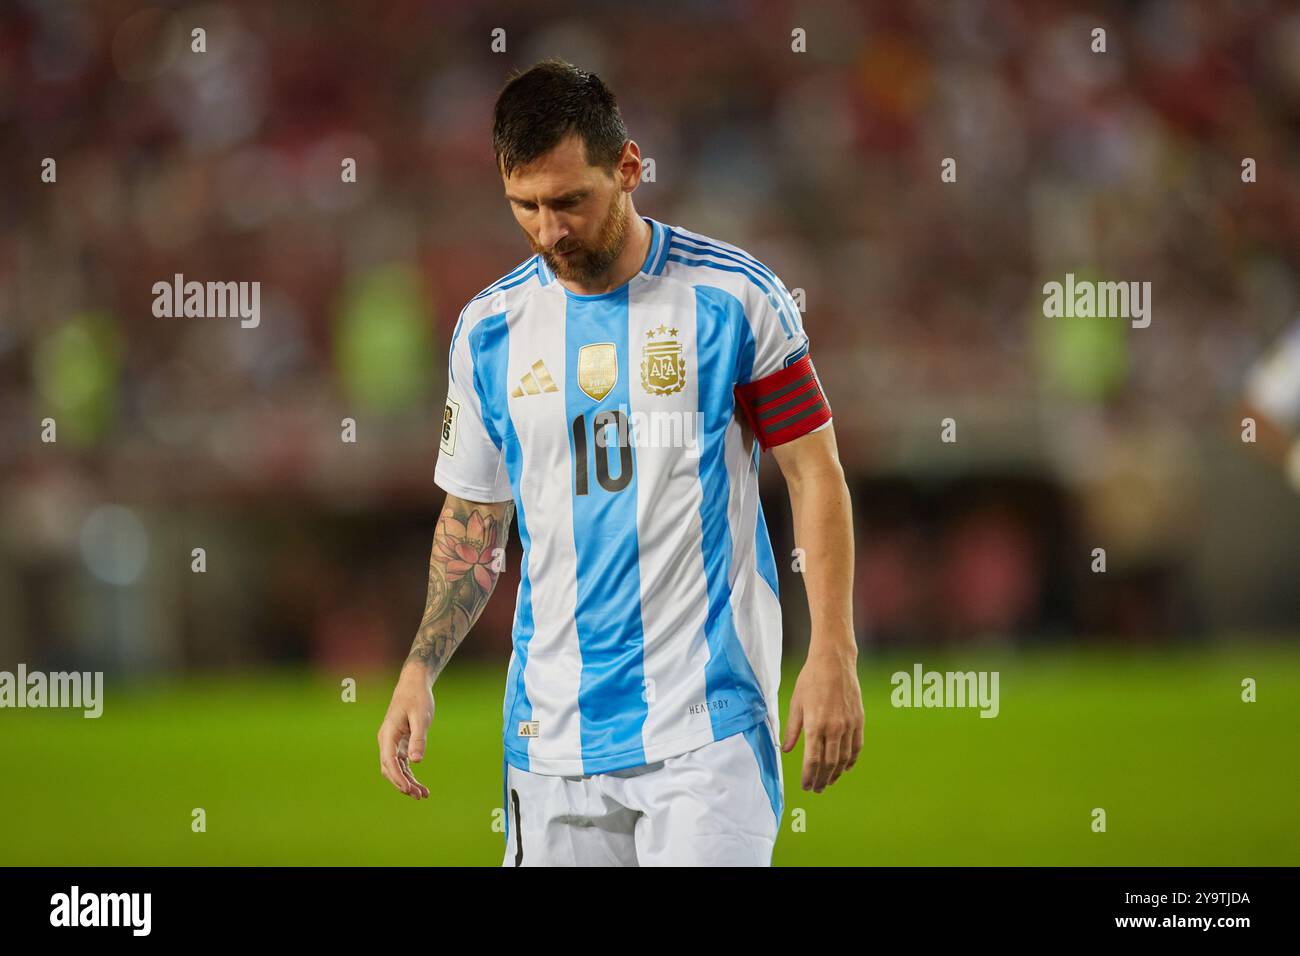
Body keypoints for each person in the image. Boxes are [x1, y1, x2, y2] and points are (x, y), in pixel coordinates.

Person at [378, 58, 862, 866]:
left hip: (708, 729)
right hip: (550, 738)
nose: (548, 231)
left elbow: (817, 475)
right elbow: (475, 516)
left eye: (571, 201)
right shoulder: (489, 331)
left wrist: (833, 650)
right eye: (524, 206)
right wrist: (418, 669)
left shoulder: (735, 302)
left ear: (629, 167)